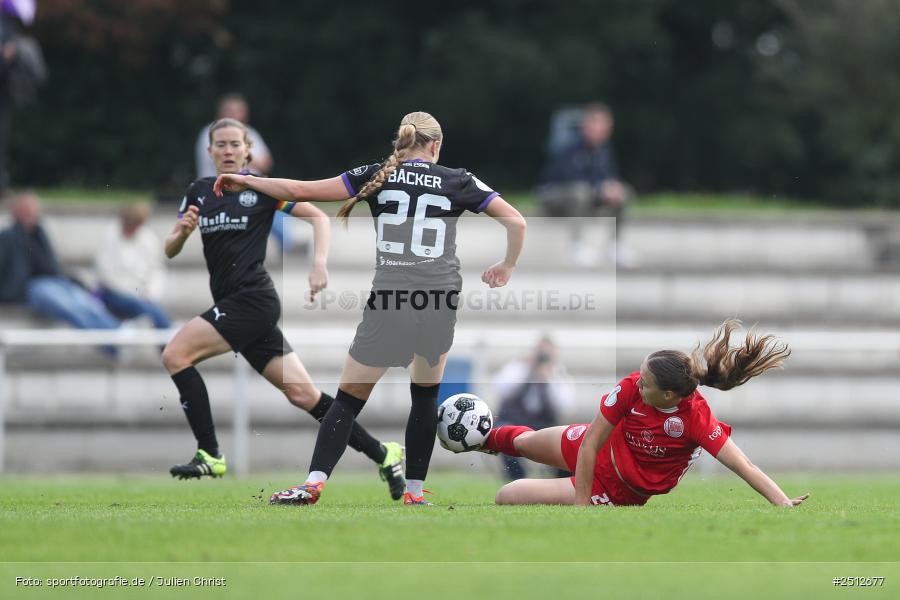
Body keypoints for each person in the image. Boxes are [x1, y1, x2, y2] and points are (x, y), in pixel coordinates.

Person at [213, 110, 528, 506]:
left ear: (403, 140)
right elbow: (517, 222)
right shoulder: (458, 179)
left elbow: (299, 190)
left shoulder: (377, 174)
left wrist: (248, 180)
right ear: (435, 145)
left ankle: (313, 484)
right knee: (425, 397)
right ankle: (414, 494)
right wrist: (507, 265)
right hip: (438, 302)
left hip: (390, 302)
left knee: (347, 401)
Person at [163, 117, 406, 501]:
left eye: (235, 144)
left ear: (248, 151)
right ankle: (383, 453)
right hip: (235, 307)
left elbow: (318, 218)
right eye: (220, 145)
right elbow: (170, 250)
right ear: (209, 152)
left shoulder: (261, 189)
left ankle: (209, 452)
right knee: (304, 395)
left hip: (252, 301)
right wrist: (181, 233)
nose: (228, 151)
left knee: (175, 354)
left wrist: (318, 264)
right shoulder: (198, 191)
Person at [480, 319, 809, 508]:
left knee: (507, 495)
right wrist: (581, 507)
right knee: (521, 443)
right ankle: (470, 436)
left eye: (645, 382)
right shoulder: (631, 386)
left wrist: (781, 502)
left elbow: (743, 465)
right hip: (598, 450)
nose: (637, 383)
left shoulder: (695, 417)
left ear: (668, 395)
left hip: (617, 489)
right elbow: (591, 442)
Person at [0, 192, 121, 344]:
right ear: (16, 212)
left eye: (32, 209)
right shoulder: (7, 236)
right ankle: (111, 342)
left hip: (52, 281)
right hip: (29, 288)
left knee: (86, 302)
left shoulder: (39, 233)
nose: (30, 213)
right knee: (70, 308)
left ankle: (118, 333)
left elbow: (51, 264)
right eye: (26, 209)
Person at [538, 103, 635, 267]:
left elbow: (609, 176)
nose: (602, 128)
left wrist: (612, 188)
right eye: (597, 123)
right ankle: (577, 246)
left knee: (623, 192)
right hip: (553, 196)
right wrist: (600, 189)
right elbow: (569, 178)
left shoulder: (604, 150)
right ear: (586, 125)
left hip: (588, 195)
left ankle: (615, 246)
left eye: (605, 124)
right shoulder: (568, 145)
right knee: (580, 192)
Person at [194, 93, 293, 252]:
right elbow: (223, 164)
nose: (234, 115)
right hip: (220, 190)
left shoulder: (250, 133)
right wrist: (242, 152)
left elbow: (266, 163)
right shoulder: (210, 134)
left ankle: (288, 244)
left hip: (250, 188)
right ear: (220, 112)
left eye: (238, 111)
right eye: (230, 111)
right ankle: (287, 244)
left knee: (278, 201)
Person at [492, 335, 574, 479]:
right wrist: (526, 370)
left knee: (566, 444)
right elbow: (500, 388)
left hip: (543, 426)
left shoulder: (558, 373)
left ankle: (558, 483)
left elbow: (565, 405)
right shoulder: (519, 367)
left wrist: (549, 378)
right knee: (504, 434)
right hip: (513, 421)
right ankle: (516, 480)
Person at [94, 202, 171, 331]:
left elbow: (156, 271)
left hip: (142, 295)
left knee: (150, 310)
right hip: (114, 293)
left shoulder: (149, 239)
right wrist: (135, 293)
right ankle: (167, 337)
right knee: (152, 312)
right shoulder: (109, 237)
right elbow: (106, 275)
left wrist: (151, 293)